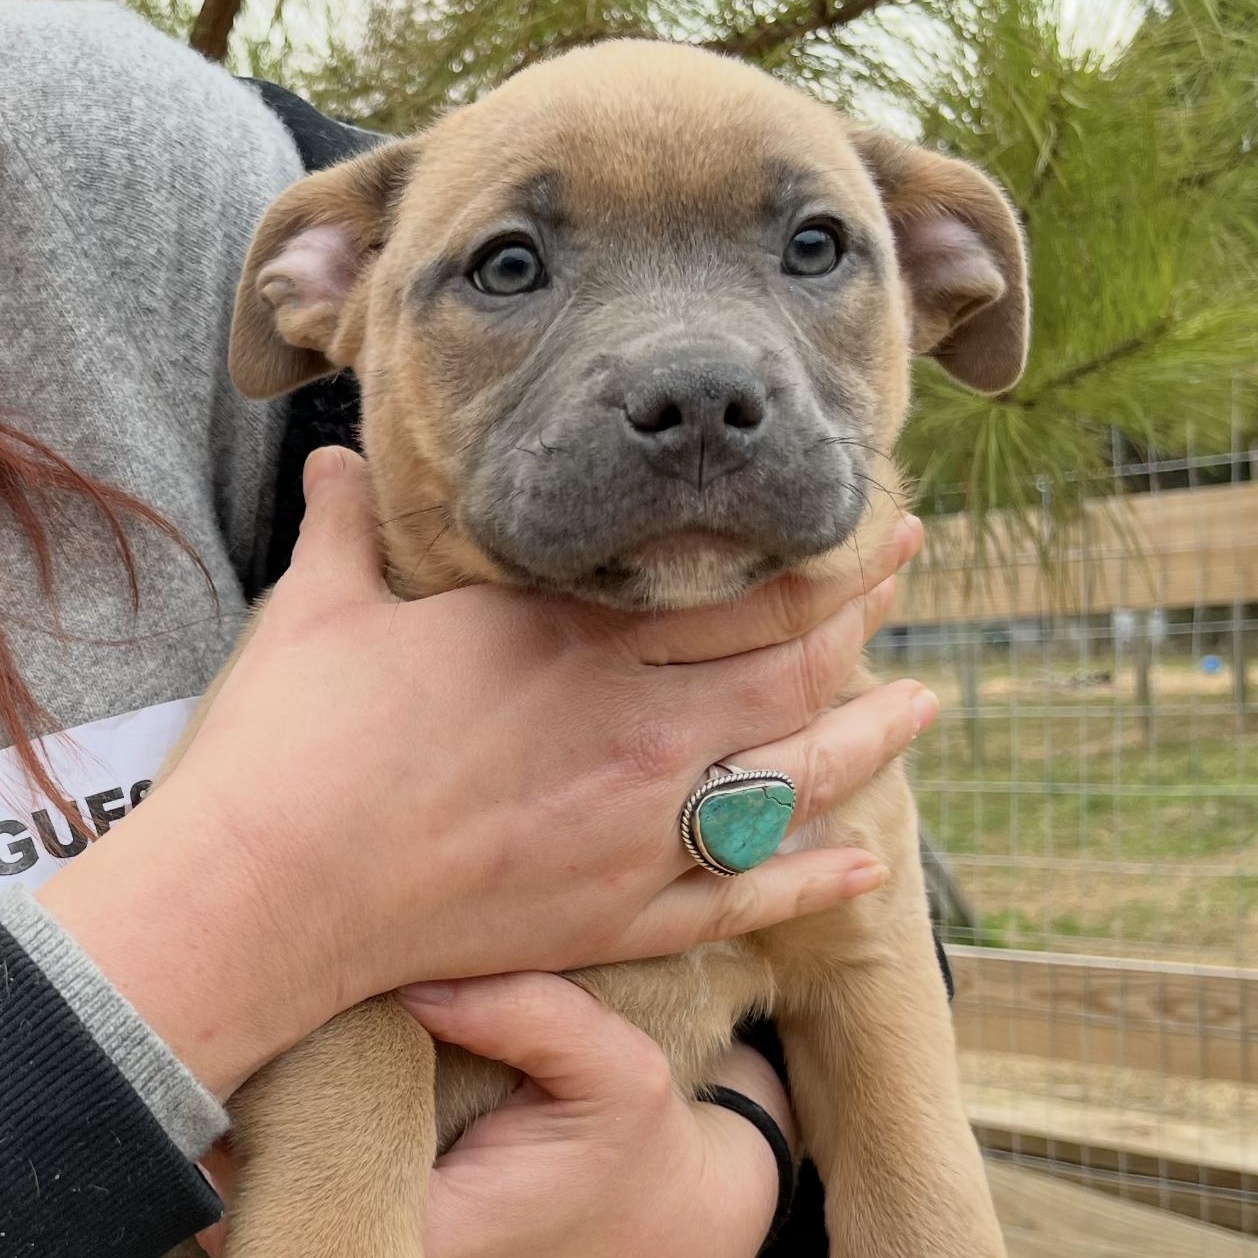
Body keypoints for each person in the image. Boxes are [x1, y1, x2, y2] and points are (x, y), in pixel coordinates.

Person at [0, 6, 939, 1257]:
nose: (694, 376)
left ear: (940, 274)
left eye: (814, 247)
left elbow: (873, 984)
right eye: (510, 268)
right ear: (327, 293)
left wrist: (728, 1158)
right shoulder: (309, 693)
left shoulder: (134, 141)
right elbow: (328, 987)